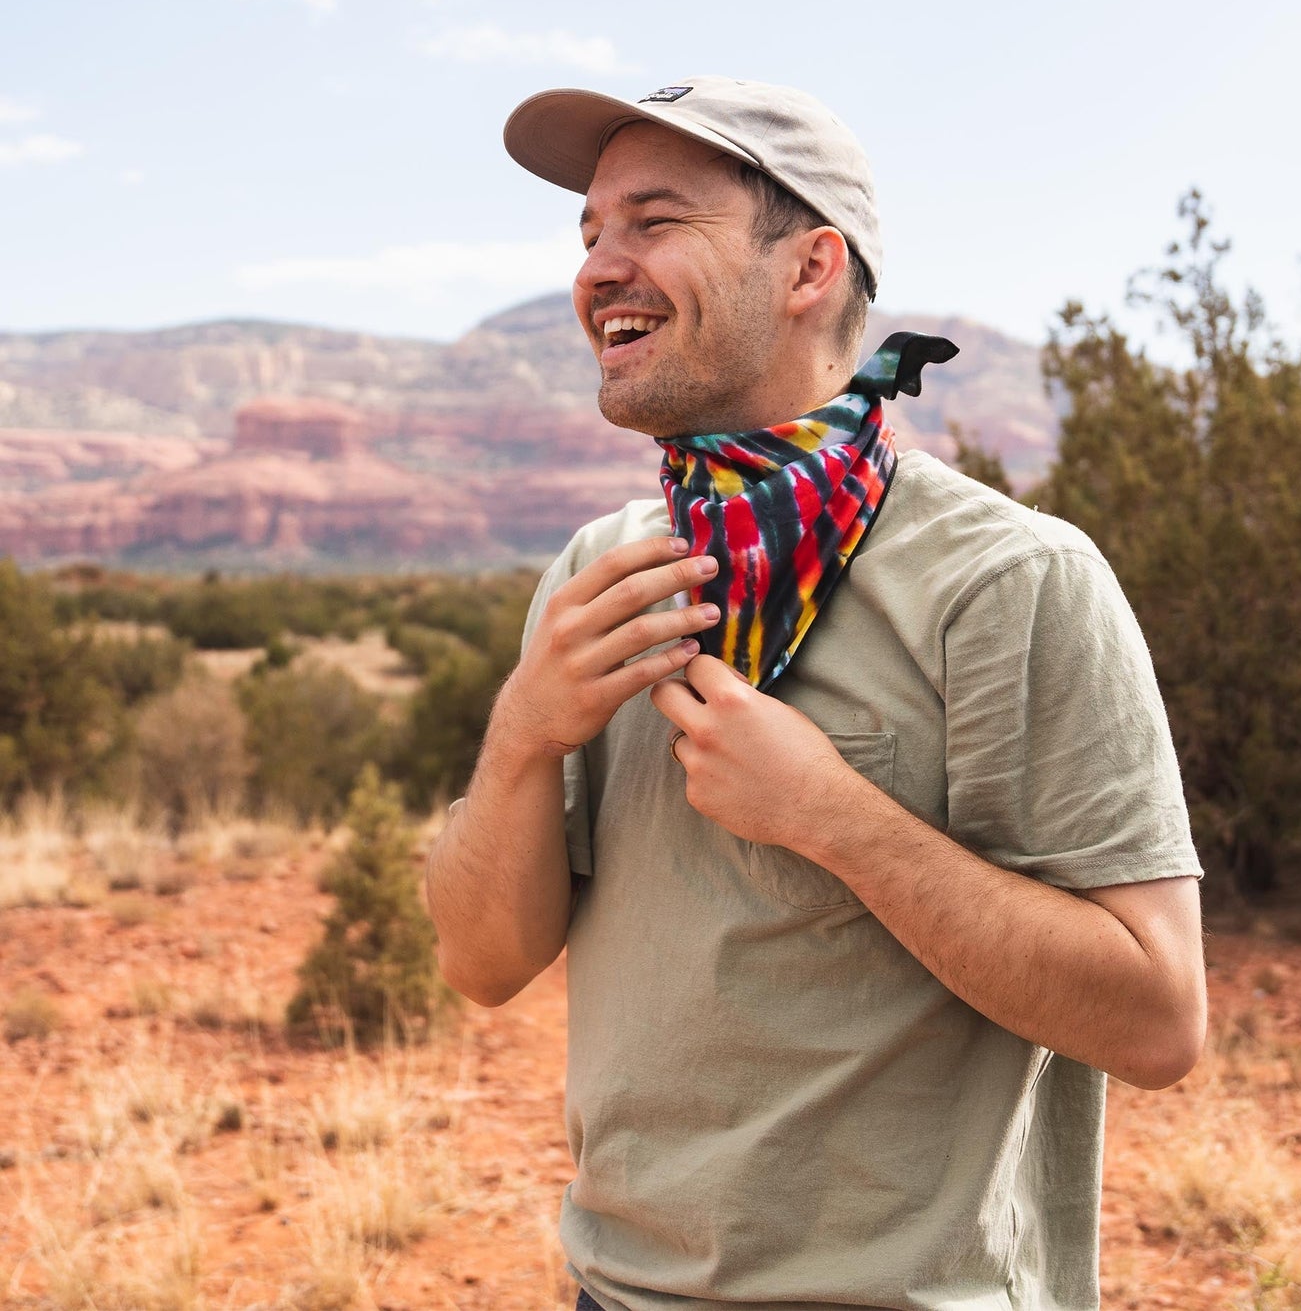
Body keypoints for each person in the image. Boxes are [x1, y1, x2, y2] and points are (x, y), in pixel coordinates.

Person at [426, 75, 1207, 1311]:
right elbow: (479, 960)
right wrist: (524, 733)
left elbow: (1158, 1019)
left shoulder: (1009, 580)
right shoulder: (600, 573)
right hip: (615, 1292)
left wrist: (831, 815)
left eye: (654, 222)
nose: (596, 269)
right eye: (588, 234)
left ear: (808, 268)